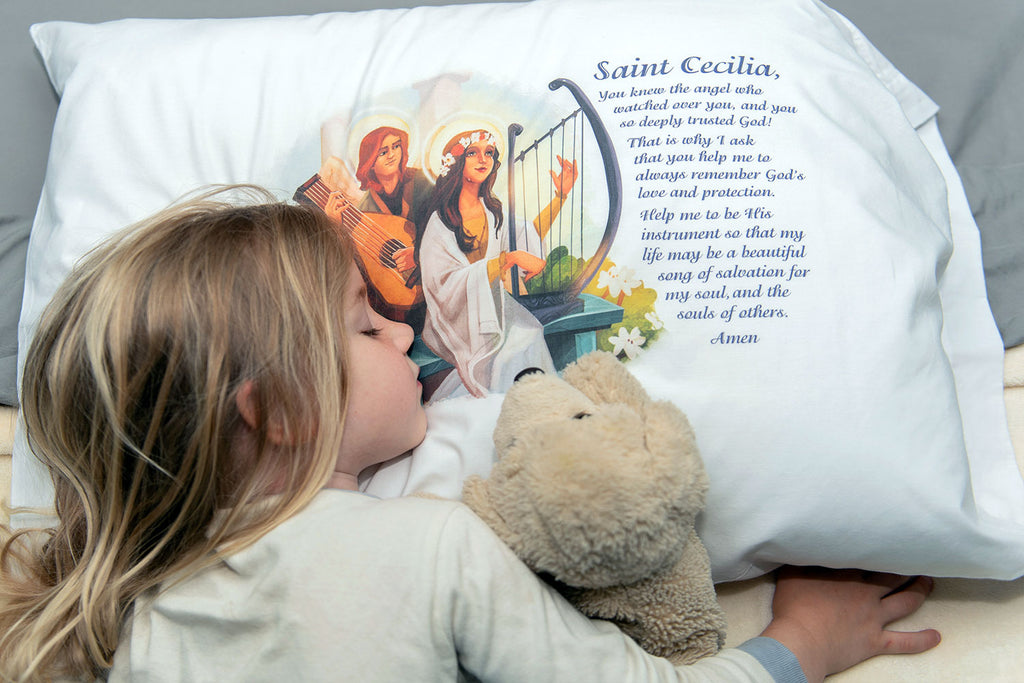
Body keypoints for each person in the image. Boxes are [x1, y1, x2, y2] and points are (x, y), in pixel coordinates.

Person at [0, 191, 940, 682]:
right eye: (367, 326)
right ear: (277, 414)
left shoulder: (134, 616)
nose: (406, 333)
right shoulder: (433, 545)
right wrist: (807, 639)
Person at [417, 129, 579, 399]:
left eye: (489, 153)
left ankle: (534, 405)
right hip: (457, 314)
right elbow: (442, 283)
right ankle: (505, 407)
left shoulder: (491, 212)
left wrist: (560, 198)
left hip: (491, 307)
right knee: (513, 348)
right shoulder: (441, 221)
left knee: (529, 335)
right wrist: (510, 259)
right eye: (473, 153)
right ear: (456, 163)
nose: (483, 159)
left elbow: (527, 235)